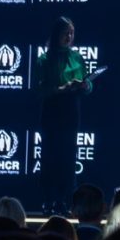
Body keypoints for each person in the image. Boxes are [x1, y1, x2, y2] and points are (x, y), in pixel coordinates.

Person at [35, 16, 92, 215]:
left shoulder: (77, 57)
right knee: (50, 157)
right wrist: (61, 88)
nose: (69, 37)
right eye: (65, 33)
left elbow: (87, 84)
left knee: (68, 159)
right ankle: (48, 201)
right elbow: (39, 90)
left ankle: (64, 202)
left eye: (71, 33)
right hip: (52, 111)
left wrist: (85, 85)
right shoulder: (43, 59)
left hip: (71, 112)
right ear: (56, 34)